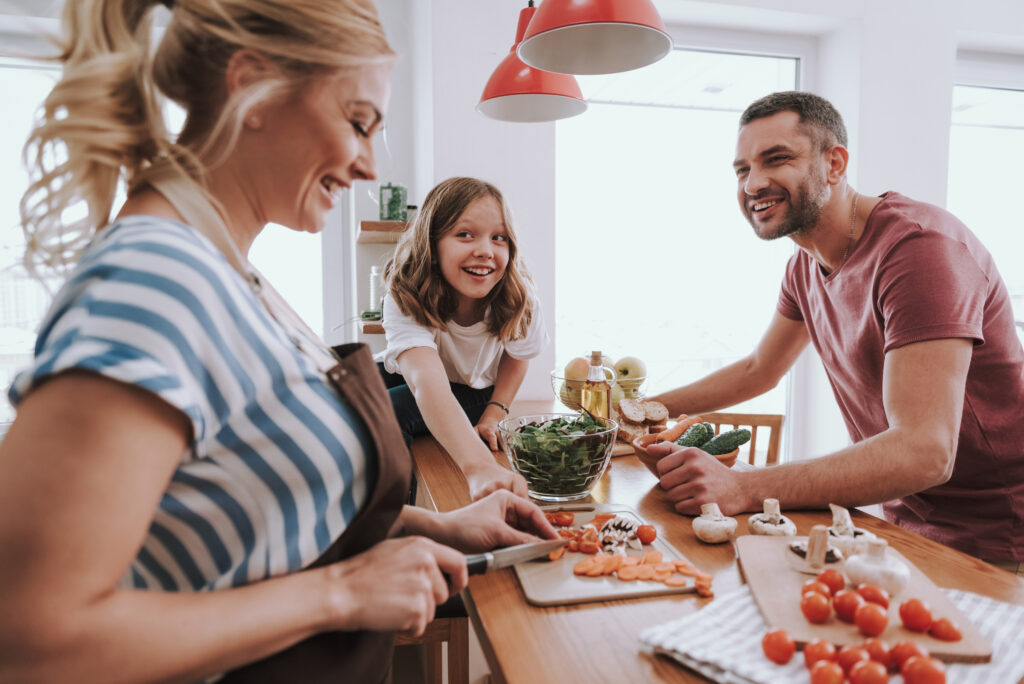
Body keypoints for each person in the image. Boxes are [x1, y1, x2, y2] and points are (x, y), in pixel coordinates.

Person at [0, 1, 558, 682]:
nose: (369, 166)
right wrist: (340, 593)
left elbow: (265, 511)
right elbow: (31, 639)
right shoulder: (154, 281)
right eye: (358, 122)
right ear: (252, 84)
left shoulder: (229, 273)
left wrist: (441, 526)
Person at [648, 91, 1024, 567]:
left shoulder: (920, 250)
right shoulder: (804, 268)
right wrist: (646, 410)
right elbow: (758, 369)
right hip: (904, 522)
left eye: (776, 159)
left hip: (1000, 537)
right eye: (742, 170)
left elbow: (925, 451)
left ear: (835, 163)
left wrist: (743, 487)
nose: (753, 184)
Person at [378, 177, 546, 501]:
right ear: (433, 243)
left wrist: (495, 413)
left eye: (499, 238)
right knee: (346, 394)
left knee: (387, 412)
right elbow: (425, 379)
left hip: (473, 389)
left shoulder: (519, 295)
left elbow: (520, 352)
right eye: (464, 235)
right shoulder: (405, 293)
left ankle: (397, 526)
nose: (485, 250)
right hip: (423, 374)